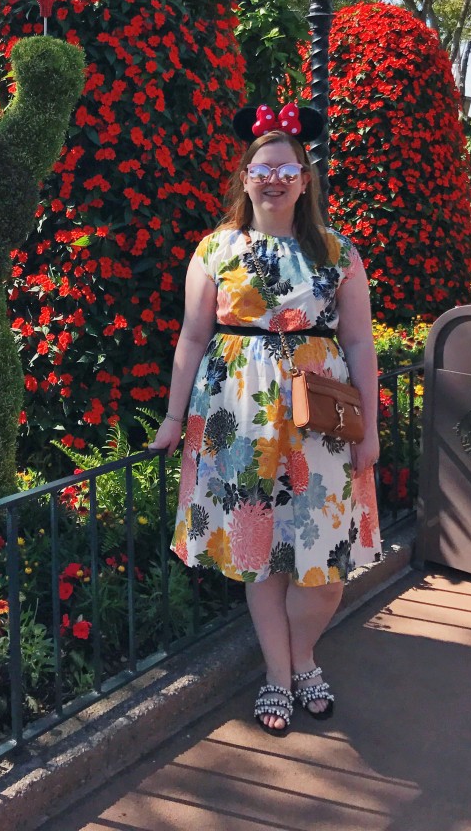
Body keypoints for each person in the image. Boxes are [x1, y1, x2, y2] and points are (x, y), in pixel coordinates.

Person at [150, 103, 382, 736]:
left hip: (323, 418)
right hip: (238, 419)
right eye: (263, 167)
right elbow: (192, 340)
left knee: (324, 561)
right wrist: (174, 418)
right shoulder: (214, 250)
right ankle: (281, 677)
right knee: (262, 555)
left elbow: (361, 343)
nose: (275, 178)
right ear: (246, 177)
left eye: (288, 168)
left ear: (305, 180)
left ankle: (302, 657)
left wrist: (374, 431)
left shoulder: (339, 252)